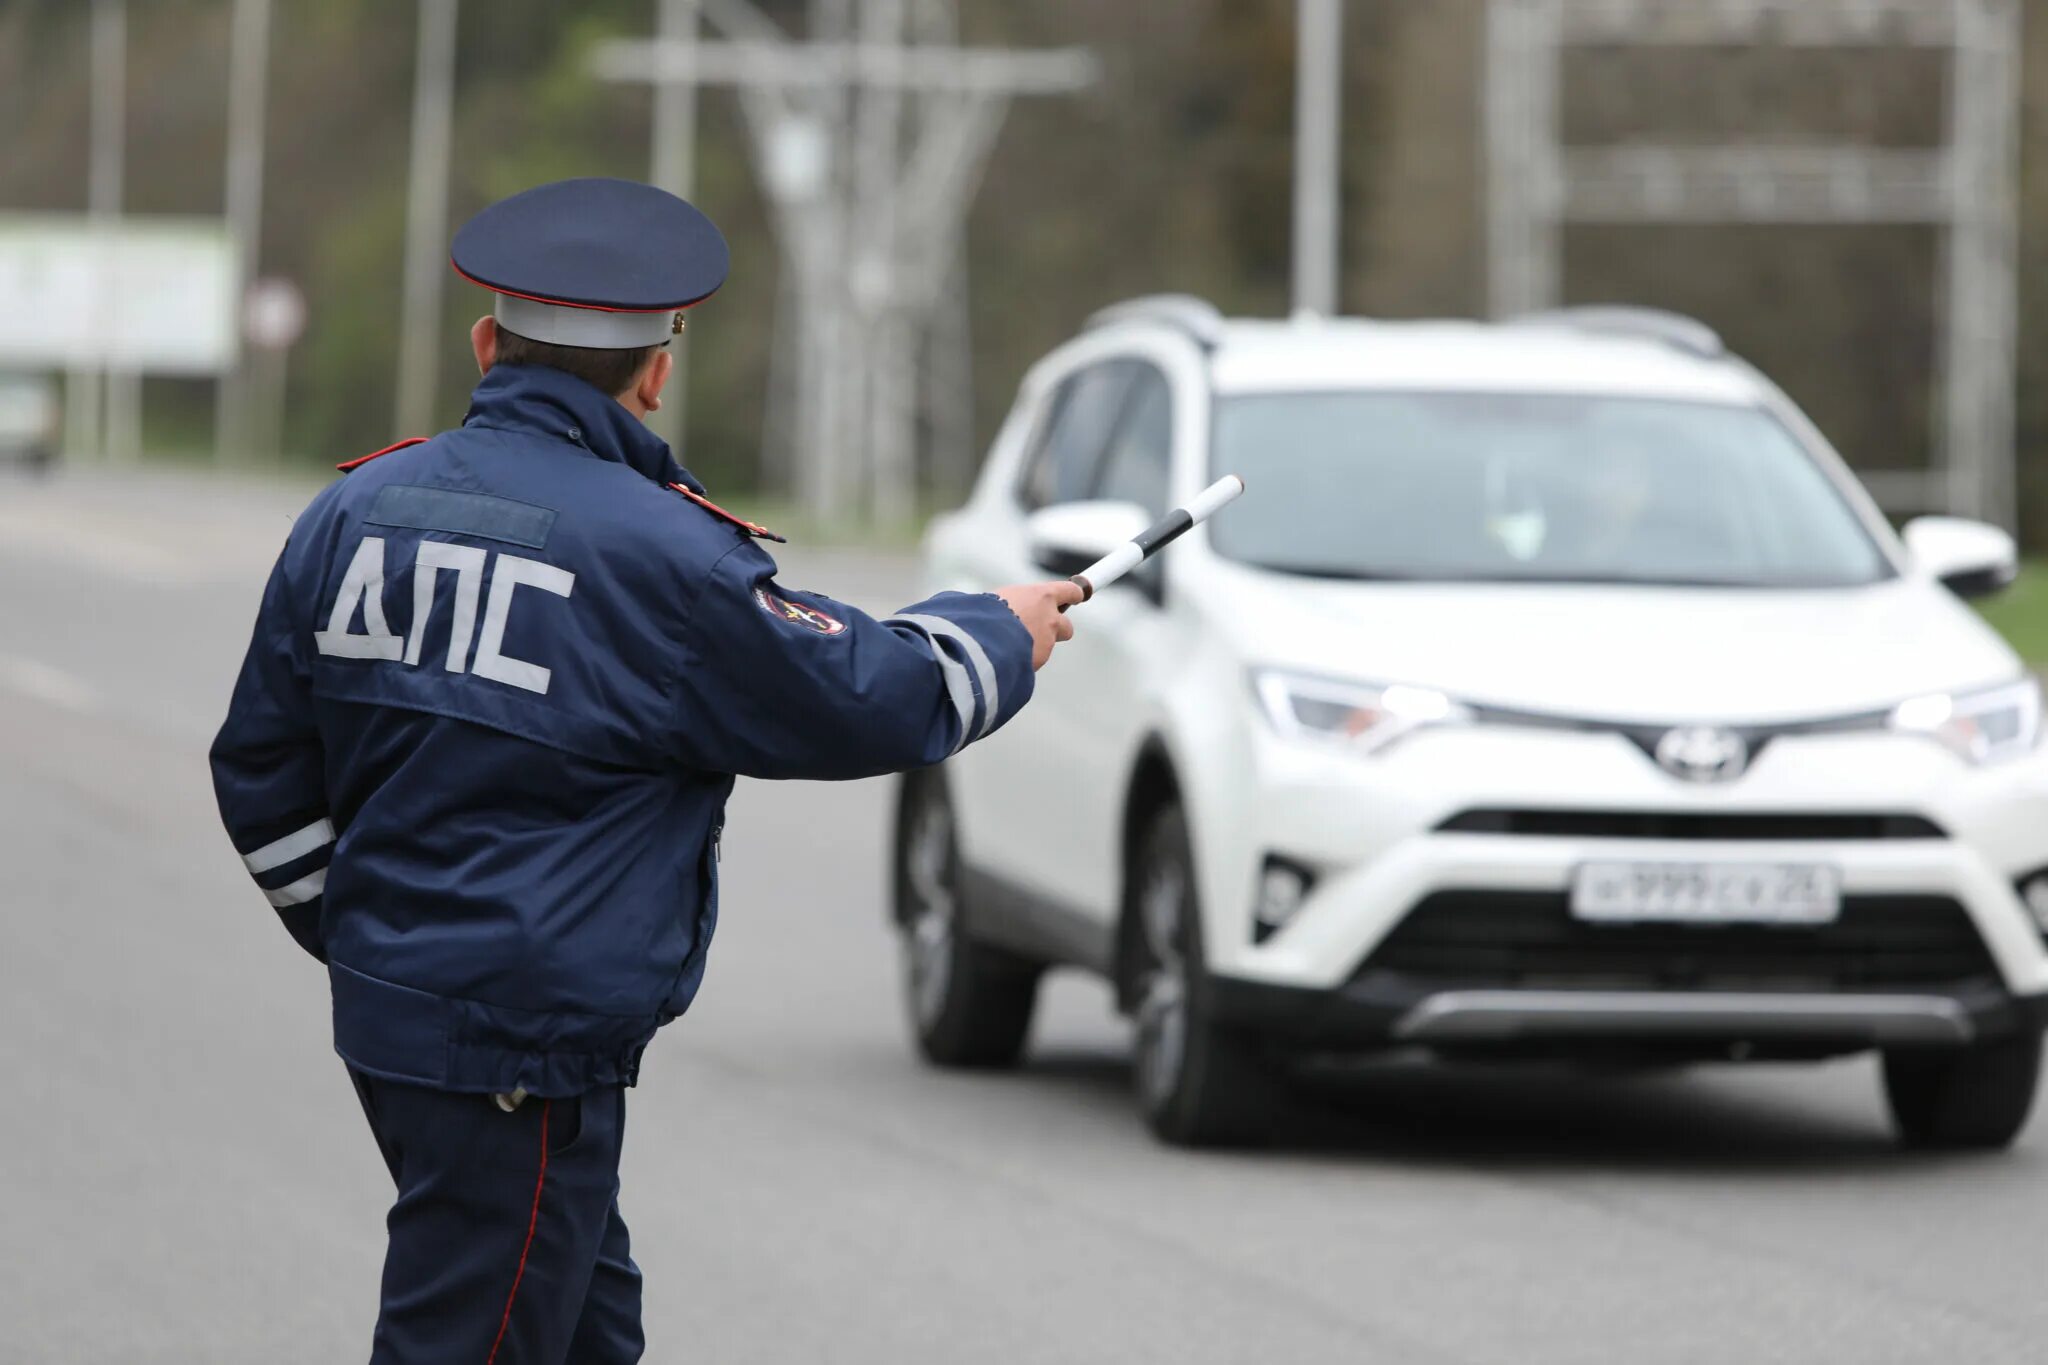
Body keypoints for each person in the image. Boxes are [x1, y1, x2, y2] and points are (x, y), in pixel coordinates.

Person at [208, 177, 1082, 1364]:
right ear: (658, 368)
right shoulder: (660, 557)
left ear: (486, 343)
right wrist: (995, 629)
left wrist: (373, 939)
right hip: (517, 1046)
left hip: (411, 1025)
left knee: (580, 1331)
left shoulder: (354, 510)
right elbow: (862, 698)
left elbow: (260, 766)